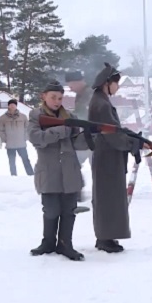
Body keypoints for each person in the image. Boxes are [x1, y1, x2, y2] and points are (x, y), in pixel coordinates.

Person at [26, 81, 94, 261]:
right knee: (51, 210)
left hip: (70, 170)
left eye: (60, 98)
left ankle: (65, 244)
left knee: (68, 210)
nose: (57, 101)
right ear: (44, 97)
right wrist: (62, 130)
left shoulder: (70, 116)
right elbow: (36, 138)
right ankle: (48, 242)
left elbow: (77, 144)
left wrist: (89, 135)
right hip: (48, 171)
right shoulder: (36, 116)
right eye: (53, 97)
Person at [88, 63, 143, 253]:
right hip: (107, 156)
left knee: (110, 196)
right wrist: (130, 144)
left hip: (108, 155)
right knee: (107, 197)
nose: (117, 87)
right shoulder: (100, 103)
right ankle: (104, 238)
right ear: (107, 83)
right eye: (116, 83)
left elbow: (114, 129)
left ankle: (107, 236)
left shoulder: (101, 100)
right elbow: (110, 133)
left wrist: (131, 136)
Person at [65, 70, 93, 214]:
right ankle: (77, 192)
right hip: (83, 138)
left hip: (91, 138)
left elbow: (86, 116)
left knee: (96, 168)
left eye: (71, 85)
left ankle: (100, 196)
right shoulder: (81, 95)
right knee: (73, 164)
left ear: (78, 81)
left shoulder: (90, 94)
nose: (70, 88)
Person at [0, 99, 34, 176]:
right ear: (8, 106)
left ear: (16, 106)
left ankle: (31, 175)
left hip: (21, 144)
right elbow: (0, 130)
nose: (12, 106)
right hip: (10, 144)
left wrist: (25, 137)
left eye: (14, 104)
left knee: (26, 160)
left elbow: (28, 128)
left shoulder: (23, 117)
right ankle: (14, 176)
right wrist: (5, 139)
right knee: (12, 162)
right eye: (11, 104)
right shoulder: (3, 118)